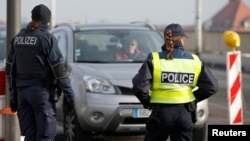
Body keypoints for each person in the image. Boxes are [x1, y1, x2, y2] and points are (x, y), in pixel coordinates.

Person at [132, 23, 218, 141]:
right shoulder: (195, 60)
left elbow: (139, 86)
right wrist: (193, 98)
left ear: (165, 38)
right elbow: (211, 86)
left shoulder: (154, 58)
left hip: (160, 113)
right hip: (185, 113)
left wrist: (148, 102)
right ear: (182, 39)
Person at [5, 4, 74, 141]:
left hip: (22, 95)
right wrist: (69, 95)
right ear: (47, 21)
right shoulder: (47, 38)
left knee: (29, 137)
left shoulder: (18, 38)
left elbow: (10, 69)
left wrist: (13, 95)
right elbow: (59, 69)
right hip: (41, 95)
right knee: (45, 136)